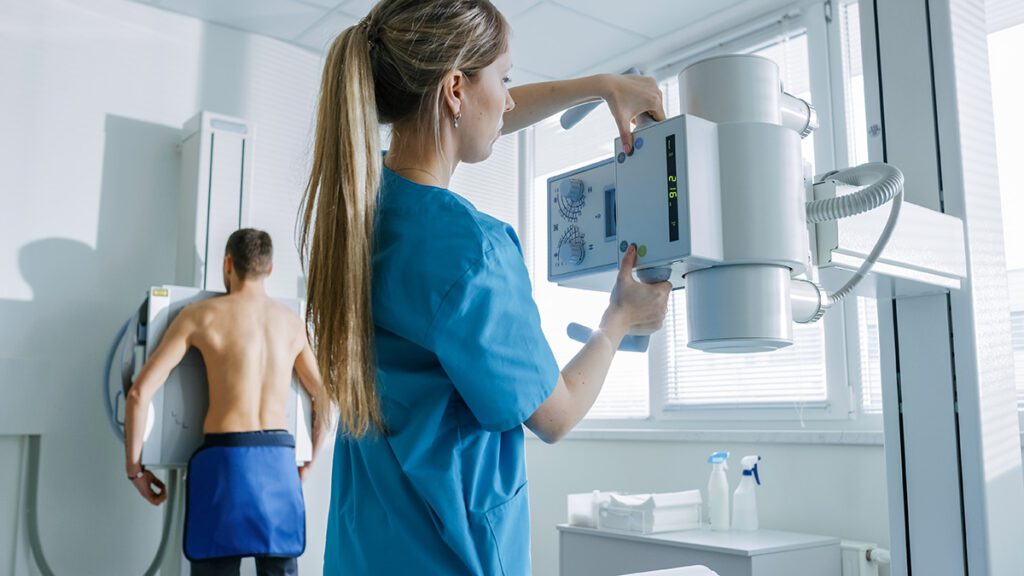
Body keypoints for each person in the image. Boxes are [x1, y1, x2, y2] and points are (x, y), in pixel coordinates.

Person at [298, 0, 671, 573]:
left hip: (365, 552)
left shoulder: (363, 209)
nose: (510, 98)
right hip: (448, 559)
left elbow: (485, 117)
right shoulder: (472, 250)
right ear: (453, 89)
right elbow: (556, 416)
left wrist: (601, 87)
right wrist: (618, 320)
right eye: (504, 78)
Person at [124, 228, 327, 576]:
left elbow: (139, 392)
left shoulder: (200, 316)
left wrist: (136, 470)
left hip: (226, 460)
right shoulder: (292, 324)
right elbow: (324, 399)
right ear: (270, 270)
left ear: (228, 264)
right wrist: (307, 465)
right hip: (279, 462)